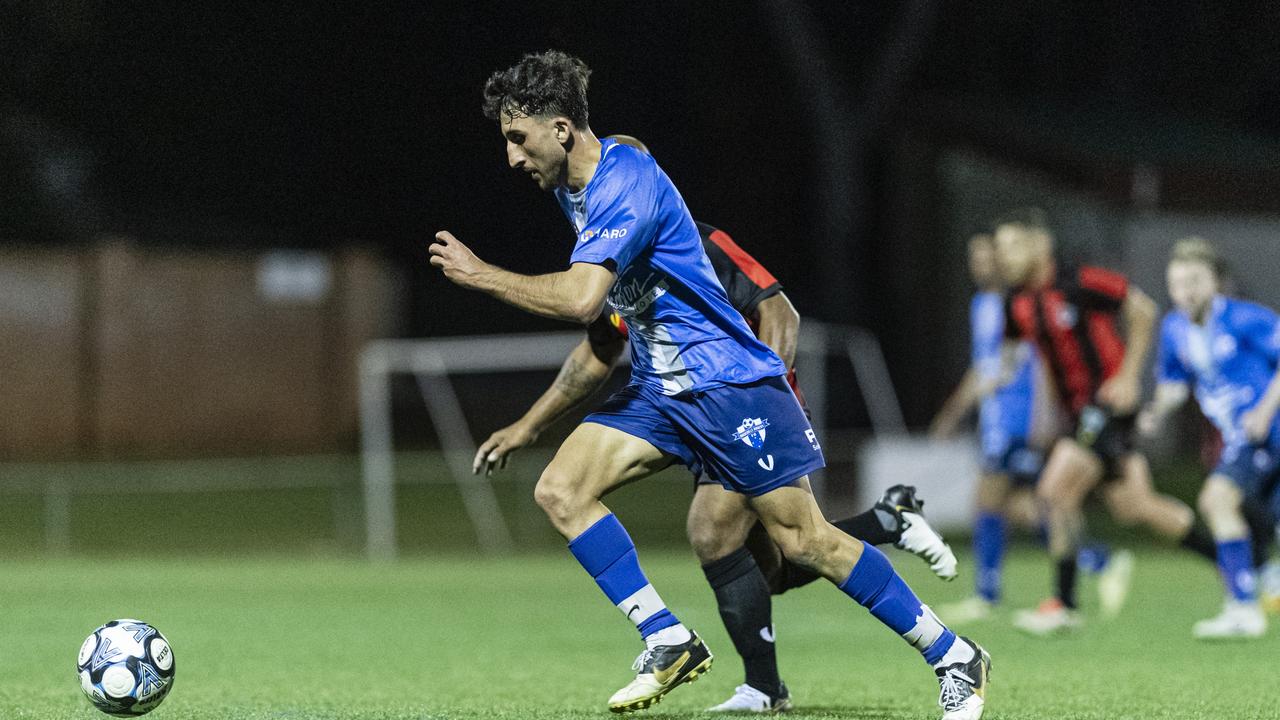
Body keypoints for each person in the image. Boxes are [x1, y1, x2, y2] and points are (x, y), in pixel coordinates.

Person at [430, 51, 990, 719]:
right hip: (664, 392)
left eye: (518, 139)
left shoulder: (622, 185)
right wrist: (528, 426)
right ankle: (667, 637)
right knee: (562, 487)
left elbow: (584, 300)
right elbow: (604, 335)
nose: (512, 157)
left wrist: (480, 275)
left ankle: (954, 654)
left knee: (801, 543)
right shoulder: (573, 188)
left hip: (729, 383)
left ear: (560, 129)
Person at [985, 208, 1219, 635]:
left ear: (1041, 244)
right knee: (1135, 507)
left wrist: (1129, 376)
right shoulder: (1015, 302)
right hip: (1078, 414)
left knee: (1054, 491)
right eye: (1001, 248)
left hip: (1108, 403)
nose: (1006, 256)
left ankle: (1064, 603)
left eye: (1014, 245)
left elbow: (1144, 311)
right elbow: (1035, 357)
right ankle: (1238, 562)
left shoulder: (1080, 280)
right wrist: (1045, 413)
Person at [933, 234, 1131, 622]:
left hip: (1019, 418)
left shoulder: (1024, 303)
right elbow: (988, 365)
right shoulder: (985, 304)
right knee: (1024, 505)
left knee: (999, 500)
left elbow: (1041, 361)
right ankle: (1095, 560)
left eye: (990, 255)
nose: (982, 263)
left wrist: (1044, 415)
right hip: (998, 418)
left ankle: (989, 596)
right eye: (974, 256)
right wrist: (955, 412)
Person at [1138, 238, 1280, 639]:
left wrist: (1265, 411)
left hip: (1269, 430)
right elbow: (1174, 385)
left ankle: (1243, 608)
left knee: (1217, 500)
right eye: (1177, 283)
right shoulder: (1174, 329)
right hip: (1242, 439)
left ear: (1215, 282)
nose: (1186, 292)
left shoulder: (1246, 318)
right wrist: (1158, 411)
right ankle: (1246, 603)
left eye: (1195, 281)